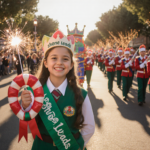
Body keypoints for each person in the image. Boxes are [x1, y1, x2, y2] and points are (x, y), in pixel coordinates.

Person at [21, 30, 95, 150]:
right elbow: (28, 125)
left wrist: (75, 146)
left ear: (71, 64)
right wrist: (25, 107)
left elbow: (89, 127)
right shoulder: (34, 92)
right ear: (45, 63)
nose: (59, 63)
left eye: (65, 59)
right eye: (54, 58)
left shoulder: (81, 94)